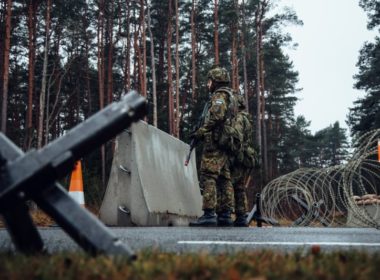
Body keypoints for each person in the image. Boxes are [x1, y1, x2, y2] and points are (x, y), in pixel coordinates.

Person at [189, 65, 236, 227]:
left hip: (215, 142)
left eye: (209, 81)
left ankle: (209, 214)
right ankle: (225, 215)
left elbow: (216, 117)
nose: (207, 84)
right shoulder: (230, 95)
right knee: (224, 178)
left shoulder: (219, 96)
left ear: (216, 81)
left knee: (208, 175)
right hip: (223, 142)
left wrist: (201, 132)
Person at [229, 94, 256, 227]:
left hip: (239, 157)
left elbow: (237, 137)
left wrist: (232, 154)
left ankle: (227, 214)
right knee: (239, 187)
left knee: (229, 184)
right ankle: (241, 216)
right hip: (245, 157)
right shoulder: (247, 118)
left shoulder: (239, 118)